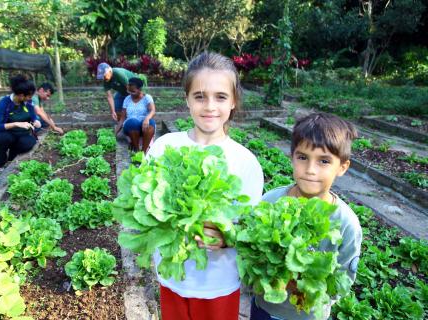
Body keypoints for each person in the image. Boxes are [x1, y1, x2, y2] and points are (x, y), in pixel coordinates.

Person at [147, 52, 264, 320]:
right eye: (199, 96)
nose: (210, 106)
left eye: (220, 97)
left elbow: (250, 228)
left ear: (233, 101)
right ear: (187, 99)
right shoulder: (165, 146)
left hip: (218, 283)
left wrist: (227, 236)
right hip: (173, 277)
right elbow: (146, 205)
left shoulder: (245, 162)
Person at [250, 112, 363, 320]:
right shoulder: (270, 202)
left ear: (342, 167)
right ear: (292, 158)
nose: (310, 170)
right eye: (302, 157)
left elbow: (343, 282)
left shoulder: (347, 224)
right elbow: (248, 254)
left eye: (324, 161)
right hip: (265, 309)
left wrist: (303, 285)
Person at [0, 74, 41, 172]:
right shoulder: (5, 103)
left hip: (22, 134)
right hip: (8, 134)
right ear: (21, 95)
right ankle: (1, 160)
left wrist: (36, 121)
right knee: (3, 137)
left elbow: (33, 115)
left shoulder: (28, 103)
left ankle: (12, 156)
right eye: (29, 96)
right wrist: (16, 124)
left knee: (29, 143)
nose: (31, 98)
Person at [117, 77, 156, 153]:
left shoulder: (147, 98)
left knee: (151, 123)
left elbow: (153, 111)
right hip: (130, 127)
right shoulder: (127, 99)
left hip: (144, 127)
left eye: (133, 91)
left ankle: (144, 152)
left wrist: (147, 118)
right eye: (129, 91)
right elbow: (122, 119)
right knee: (133, 122)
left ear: (140, 90)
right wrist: (114, 133)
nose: (131, 93)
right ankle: (137, 150)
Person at [96, 62, 137, 132]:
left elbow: (131, 89)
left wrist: (131, 104)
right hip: (122, 92)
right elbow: (109, 96)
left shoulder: (118, 73)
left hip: (134, 89)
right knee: (116, 108)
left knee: (131, 109)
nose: (103, 78)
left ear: (109, 70)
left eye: (104, 75)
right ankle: (121, 126)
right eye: (101, 77)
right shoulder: (106, 80)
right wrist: (112, 111)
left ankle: (133, 126)